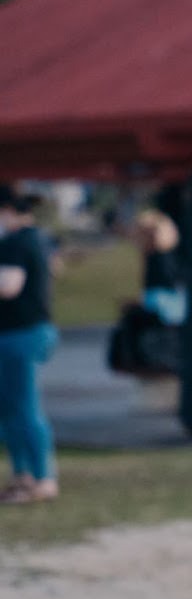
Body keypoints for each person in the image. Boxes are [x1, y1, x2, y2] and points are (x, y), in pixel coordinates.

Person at [0, 191, 60, 504]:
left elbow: (9, 285)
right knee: (9, 410)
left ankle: (42, 477)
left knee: (23, 408)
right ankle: (23, 475)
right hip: (26, 331)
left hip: (19, 334)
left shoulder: (16, 242)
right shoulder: (38, 239)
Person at [133, 208, 186, 326]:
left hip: (165, 309)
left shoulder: (163, 259)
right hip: (162, 307)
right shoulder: (157, 256)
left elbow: (169, 282)